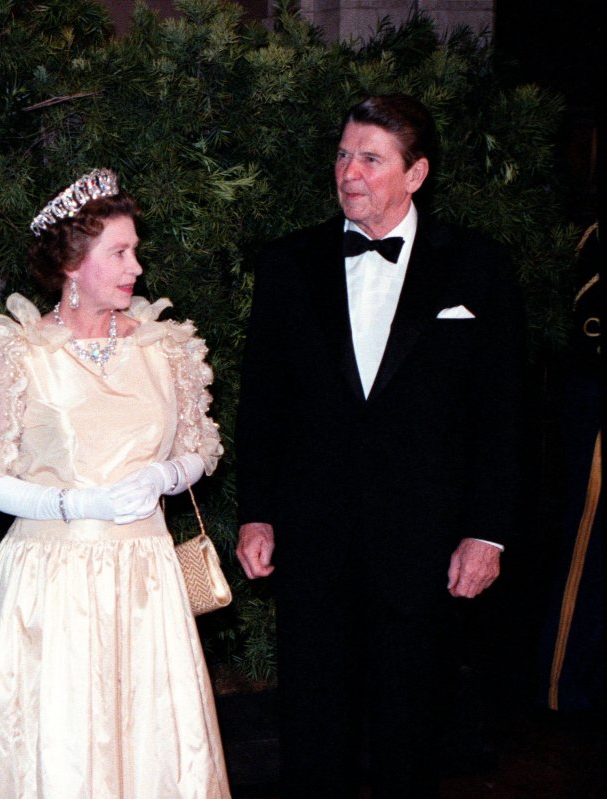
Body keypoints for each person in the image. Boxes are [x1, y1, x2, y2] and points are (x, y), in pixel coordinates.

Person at [235, 94, 526, 798]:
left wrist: (486, 532)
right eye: (343, 154)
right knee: (312, 731)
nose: (350, 171)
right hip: (313, 536)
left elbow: (504, 413)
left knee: (411, 732)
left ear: (416, 173)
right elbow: (262, 402)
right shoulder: (290, 262)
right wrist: (256, 512)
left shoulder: (479, 267)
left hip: (425, 544)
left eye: (371, 157)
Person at [0, 169, 231, 799]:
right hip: (52, 580)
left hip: (147, 579)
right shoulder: (17, 351)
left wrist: (165, 472)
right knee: (57, 749)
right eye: (119, 253)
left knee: (153, 746)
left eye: (135, 250)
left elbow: (199, 450)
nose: (135, 267)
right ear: (74, 264)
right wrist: (71, 502)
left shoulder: (166, 346)